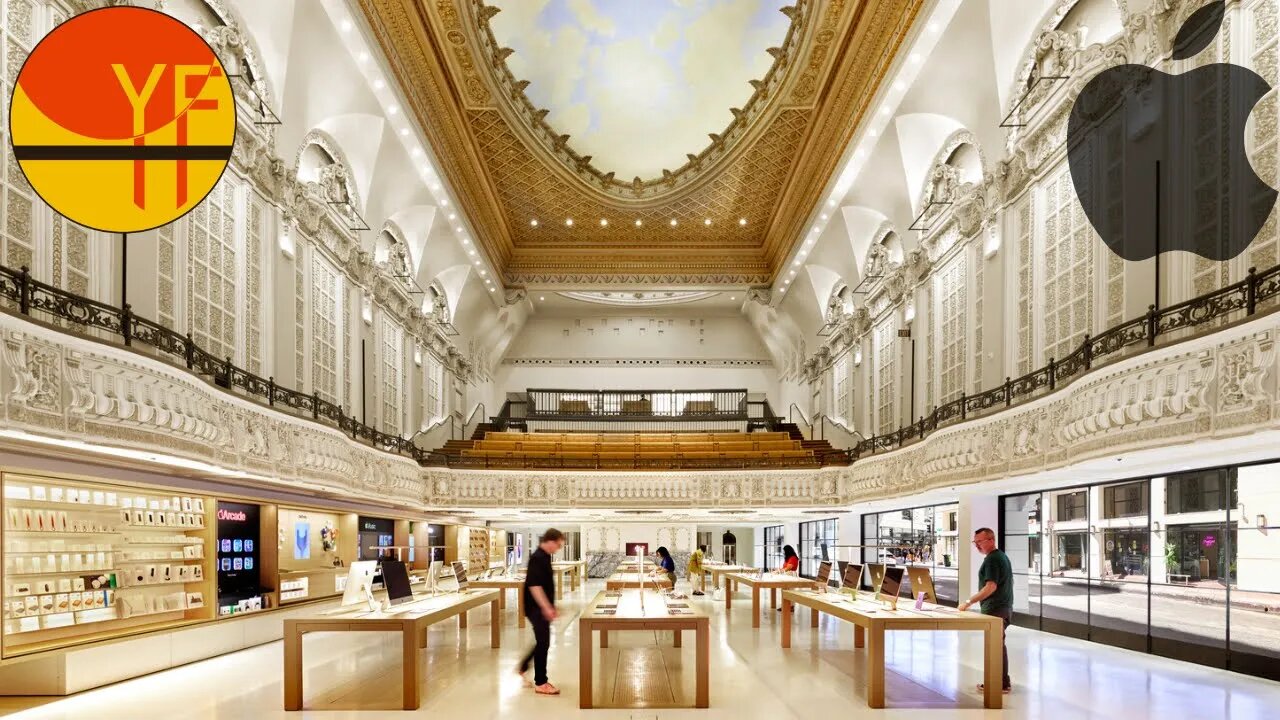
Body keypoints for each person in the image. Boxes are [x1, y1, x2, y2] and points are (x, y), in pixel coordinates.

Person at [958, 527, 1014, 695]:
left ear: (991, 540)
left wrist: (968, 602)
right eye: (975, 542)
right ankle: (1002, 682)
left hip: (996, 609)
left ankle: (1001, 684)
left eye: (980, 542)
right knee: (997, 645)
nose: (977, 546)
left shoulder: (993, 559)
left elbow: (990, 587)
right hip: (1001, 608)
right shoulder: (1000, 556)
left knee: (996, 646)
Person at [518, 528, 563, 696]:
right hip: (536, 609)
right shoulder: (537, 558)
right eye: (557, 545)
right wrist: (546, 608)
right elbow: (535, 586)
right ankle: (541, 683)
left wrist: (551, 606)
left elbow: (544, 585)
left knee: (541, 641)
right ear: (550, 541)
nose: (557, 548)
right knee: (543, 643)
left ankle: (524, 667)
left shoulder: (543, 557)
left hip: (539, 608)